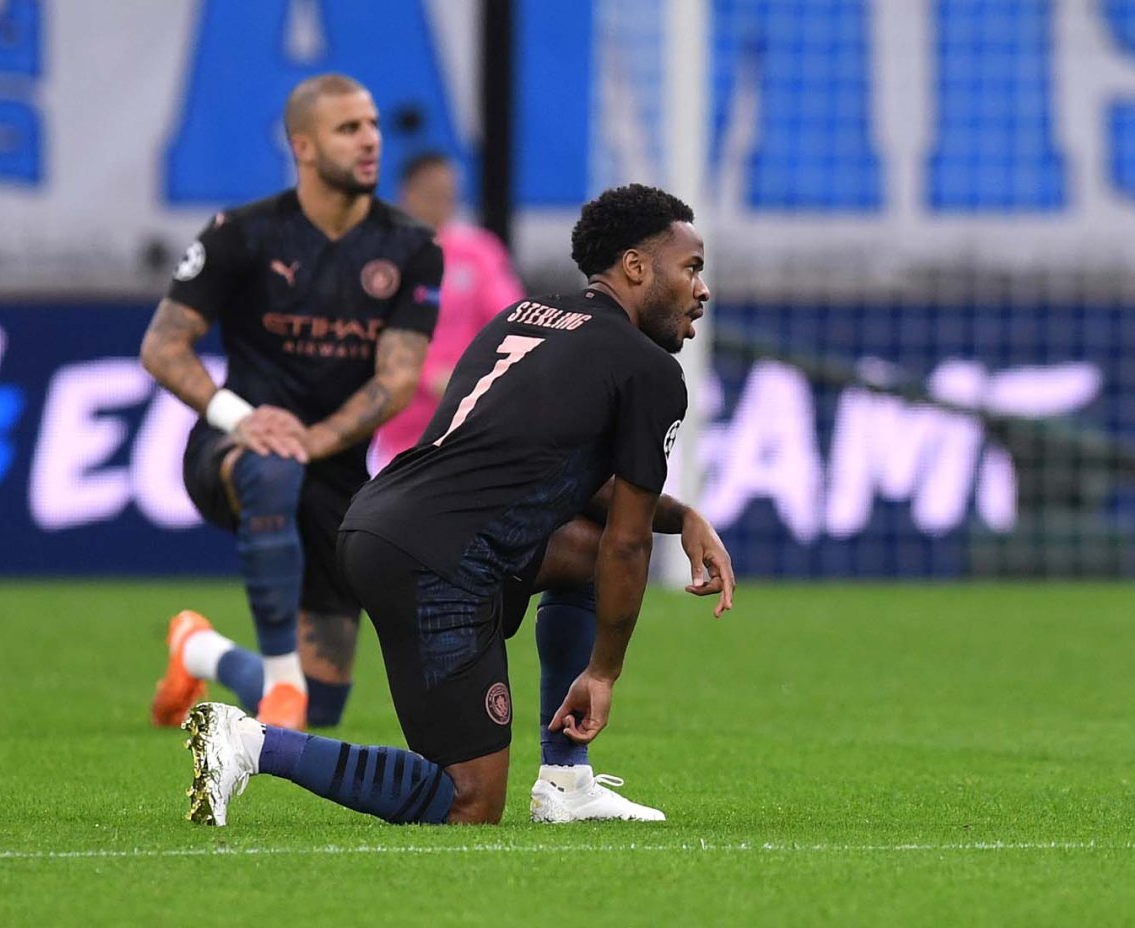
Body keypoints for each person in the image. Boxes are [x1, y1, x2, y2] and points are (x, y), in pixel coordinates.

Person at [182, 183, 737, 826]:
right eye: (691, 268)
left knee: (582, 554)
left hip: (381, 521)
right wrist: (603, 673)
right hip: (440, 558)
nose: (702, 290)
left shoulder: (522, 316)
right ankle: (251, 743)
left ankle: (565, 780)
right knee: (470, 801)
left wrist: (684, 517)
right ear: (636, 267)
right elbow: (629, 540)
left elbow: (563, 479)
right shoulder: (648, 370)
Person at [141, 73, 441, 732]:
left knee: (323, 706)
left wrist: (317, 439)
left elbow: (397, 377)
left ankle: (197, 649)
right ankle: (279, 683)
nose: (370, 140)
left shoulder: (412, 248)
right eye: (348, 129)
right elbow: (162, 347)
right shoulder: (241, 233)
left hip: (334, 466)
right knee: (272, 468)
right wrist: (240, 418)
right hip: (235, 450)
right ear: (303, 147)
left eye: (372, 125)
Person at [371, 152, 525, 468]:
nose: (441, 199)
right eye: (430, 191)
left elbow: (511, 320)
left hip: (470, 416)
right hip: (399, 424)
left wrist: (474, 376)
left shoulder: (478, 251)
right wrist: (428, 375)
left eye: (447, 191)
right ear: (407, 193)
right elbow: (371, 331)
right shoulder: (382, 257)